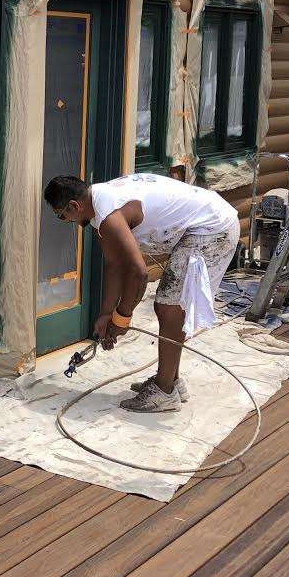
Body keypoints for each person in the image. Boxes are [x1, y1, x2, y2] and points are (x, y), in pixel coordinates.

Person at [43, 173, 239, 412]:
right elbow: (115, 265)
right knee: (170, 305)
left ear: (75, 205)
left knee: (169, 307)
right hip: (205, 224)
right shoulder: (98, 208)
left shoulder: (108, 214)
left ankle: (164, 393)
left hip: (213, 228)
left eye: (63, 216)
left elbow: (139, 272)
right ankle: (170, 381)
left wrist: (122, 317)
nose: (66, 221)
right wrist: (106, 315)